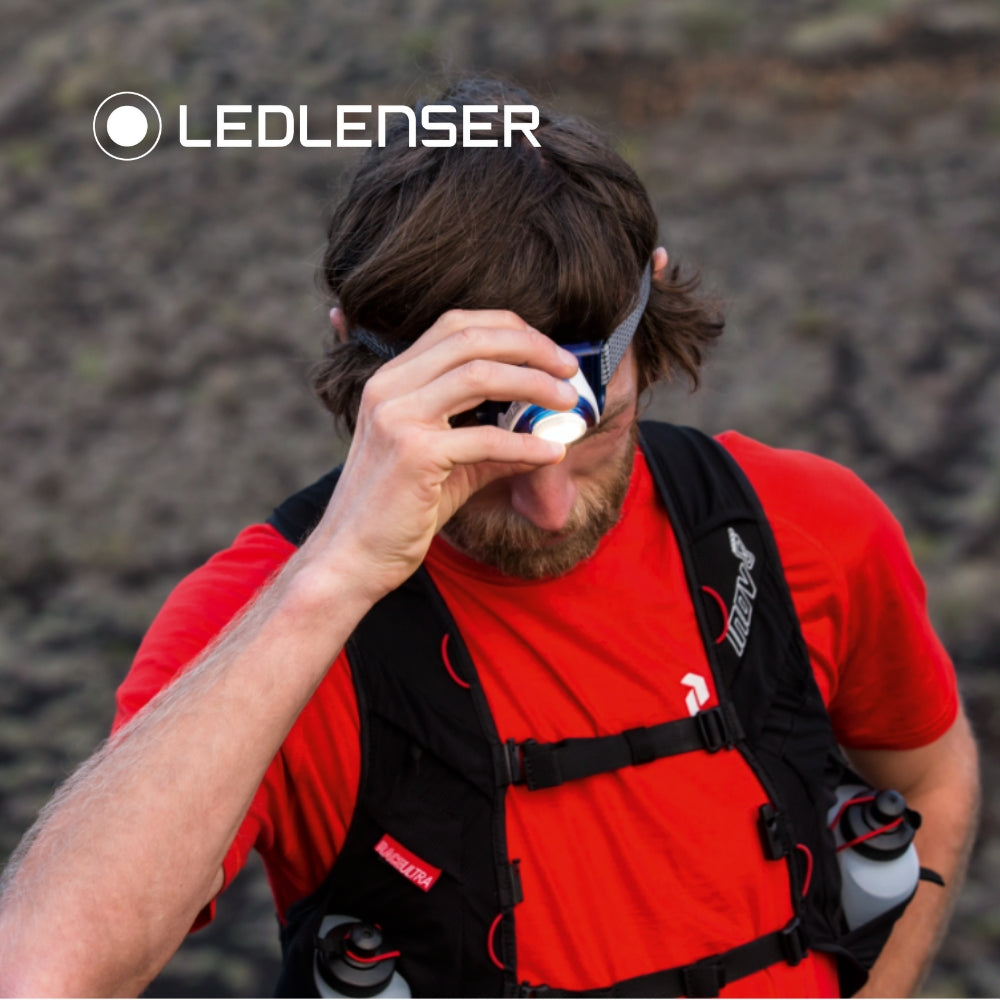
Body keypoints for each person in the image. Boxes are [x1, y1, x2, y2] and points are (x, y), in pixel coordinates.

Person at [0, 79, 979, 998]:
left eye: (595, 430)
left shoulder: (796, 524)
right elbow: (43, 970)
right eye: (484, 447)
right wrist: (333, 580)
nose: (549, 505)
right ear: (355, 352)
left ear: (649, 303)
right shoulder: (260, 623)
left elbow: (929, 775)